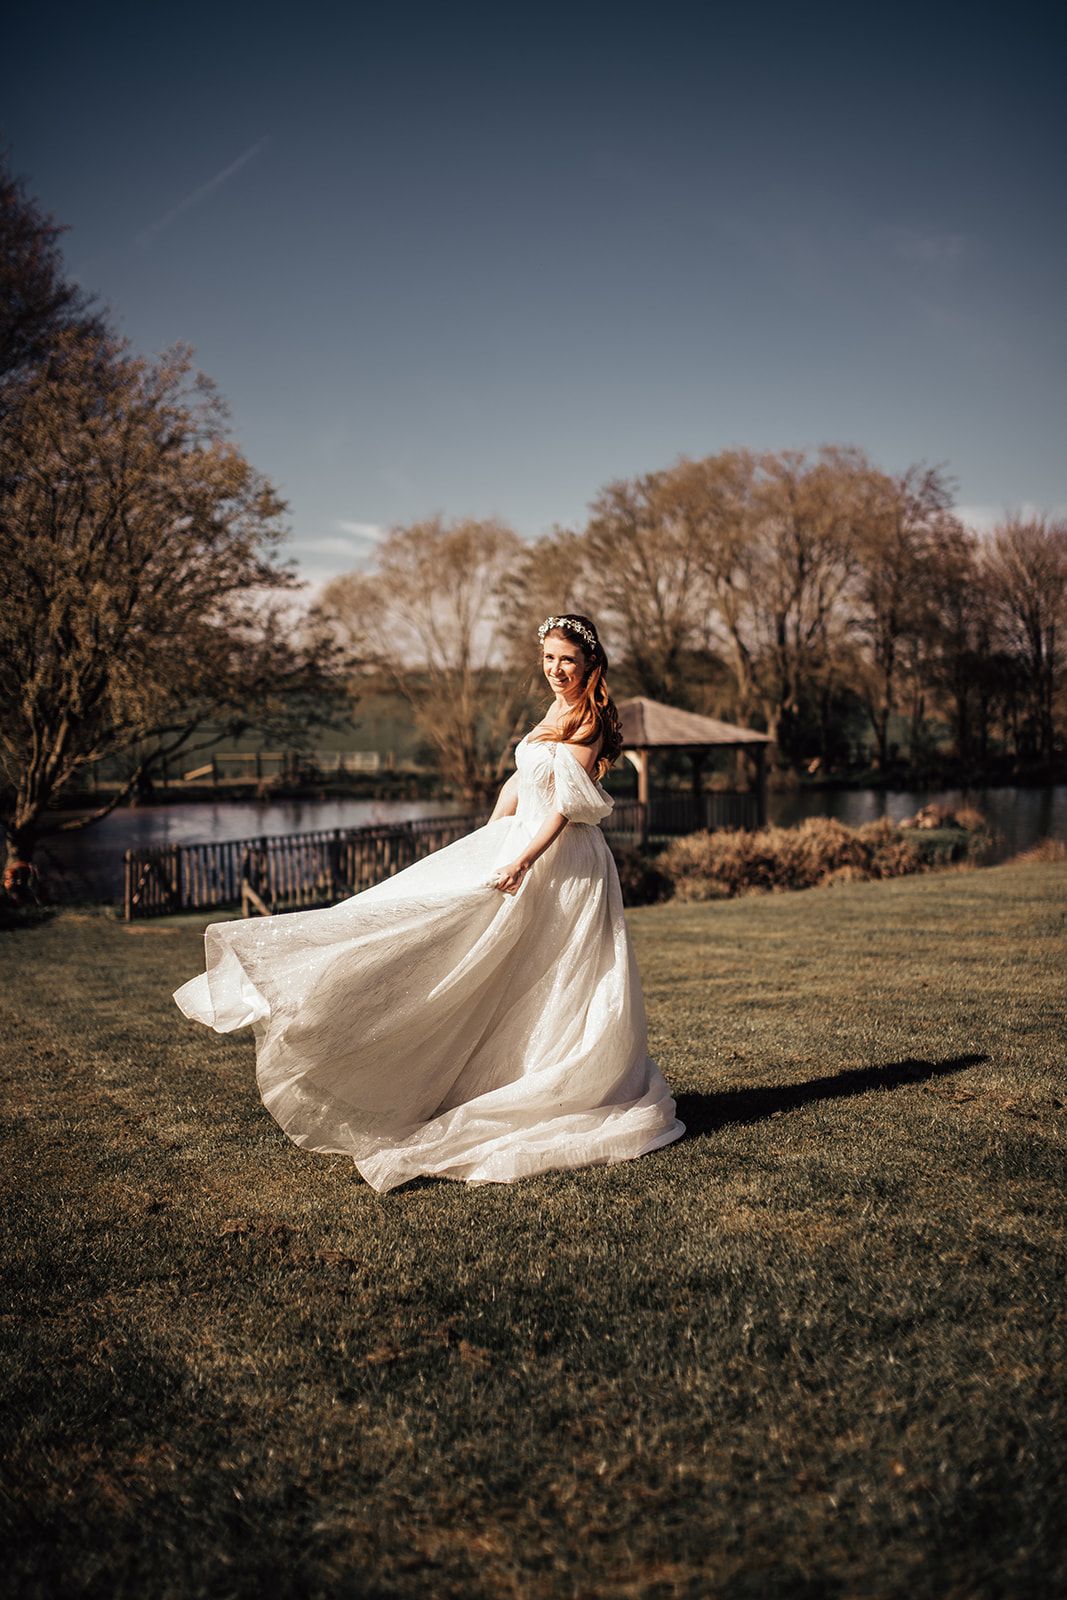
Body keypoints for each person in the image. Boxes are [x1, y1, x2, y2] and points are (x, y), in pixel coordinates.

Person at [172, 614, 684, 1192]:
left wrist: (522, 858)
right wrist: (488, 839)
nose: (555, 670)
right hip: (522, 844)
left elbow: (565, 805)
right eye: (547, 659)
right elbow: (521, 784)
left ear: (590, 662)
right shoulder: (551, 712)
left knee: (551, 971)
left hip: (562, 862)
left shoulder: (589, 718)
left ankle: (556, 1081)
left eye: (566, 659)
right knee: (470, 947)